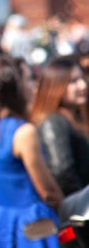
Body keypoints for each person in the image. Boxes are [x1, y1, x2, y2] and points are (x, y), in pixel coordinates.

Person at [0, 54, 63, 248]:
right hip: (33, 224)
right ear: (16, 87)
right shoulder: (24, 132)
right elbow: (47, 192)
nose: (34, 85)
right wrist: (68, 211)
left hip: (3, 220)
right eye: (29, 79)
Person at [30, 56, 89, 196]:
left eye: (81, 78)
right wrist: (82, 206)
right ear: (55, 87)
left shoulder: (72, 117)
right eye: (73, 81)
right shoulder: (53, 122)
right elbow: (63, 173)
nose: (83, 85)